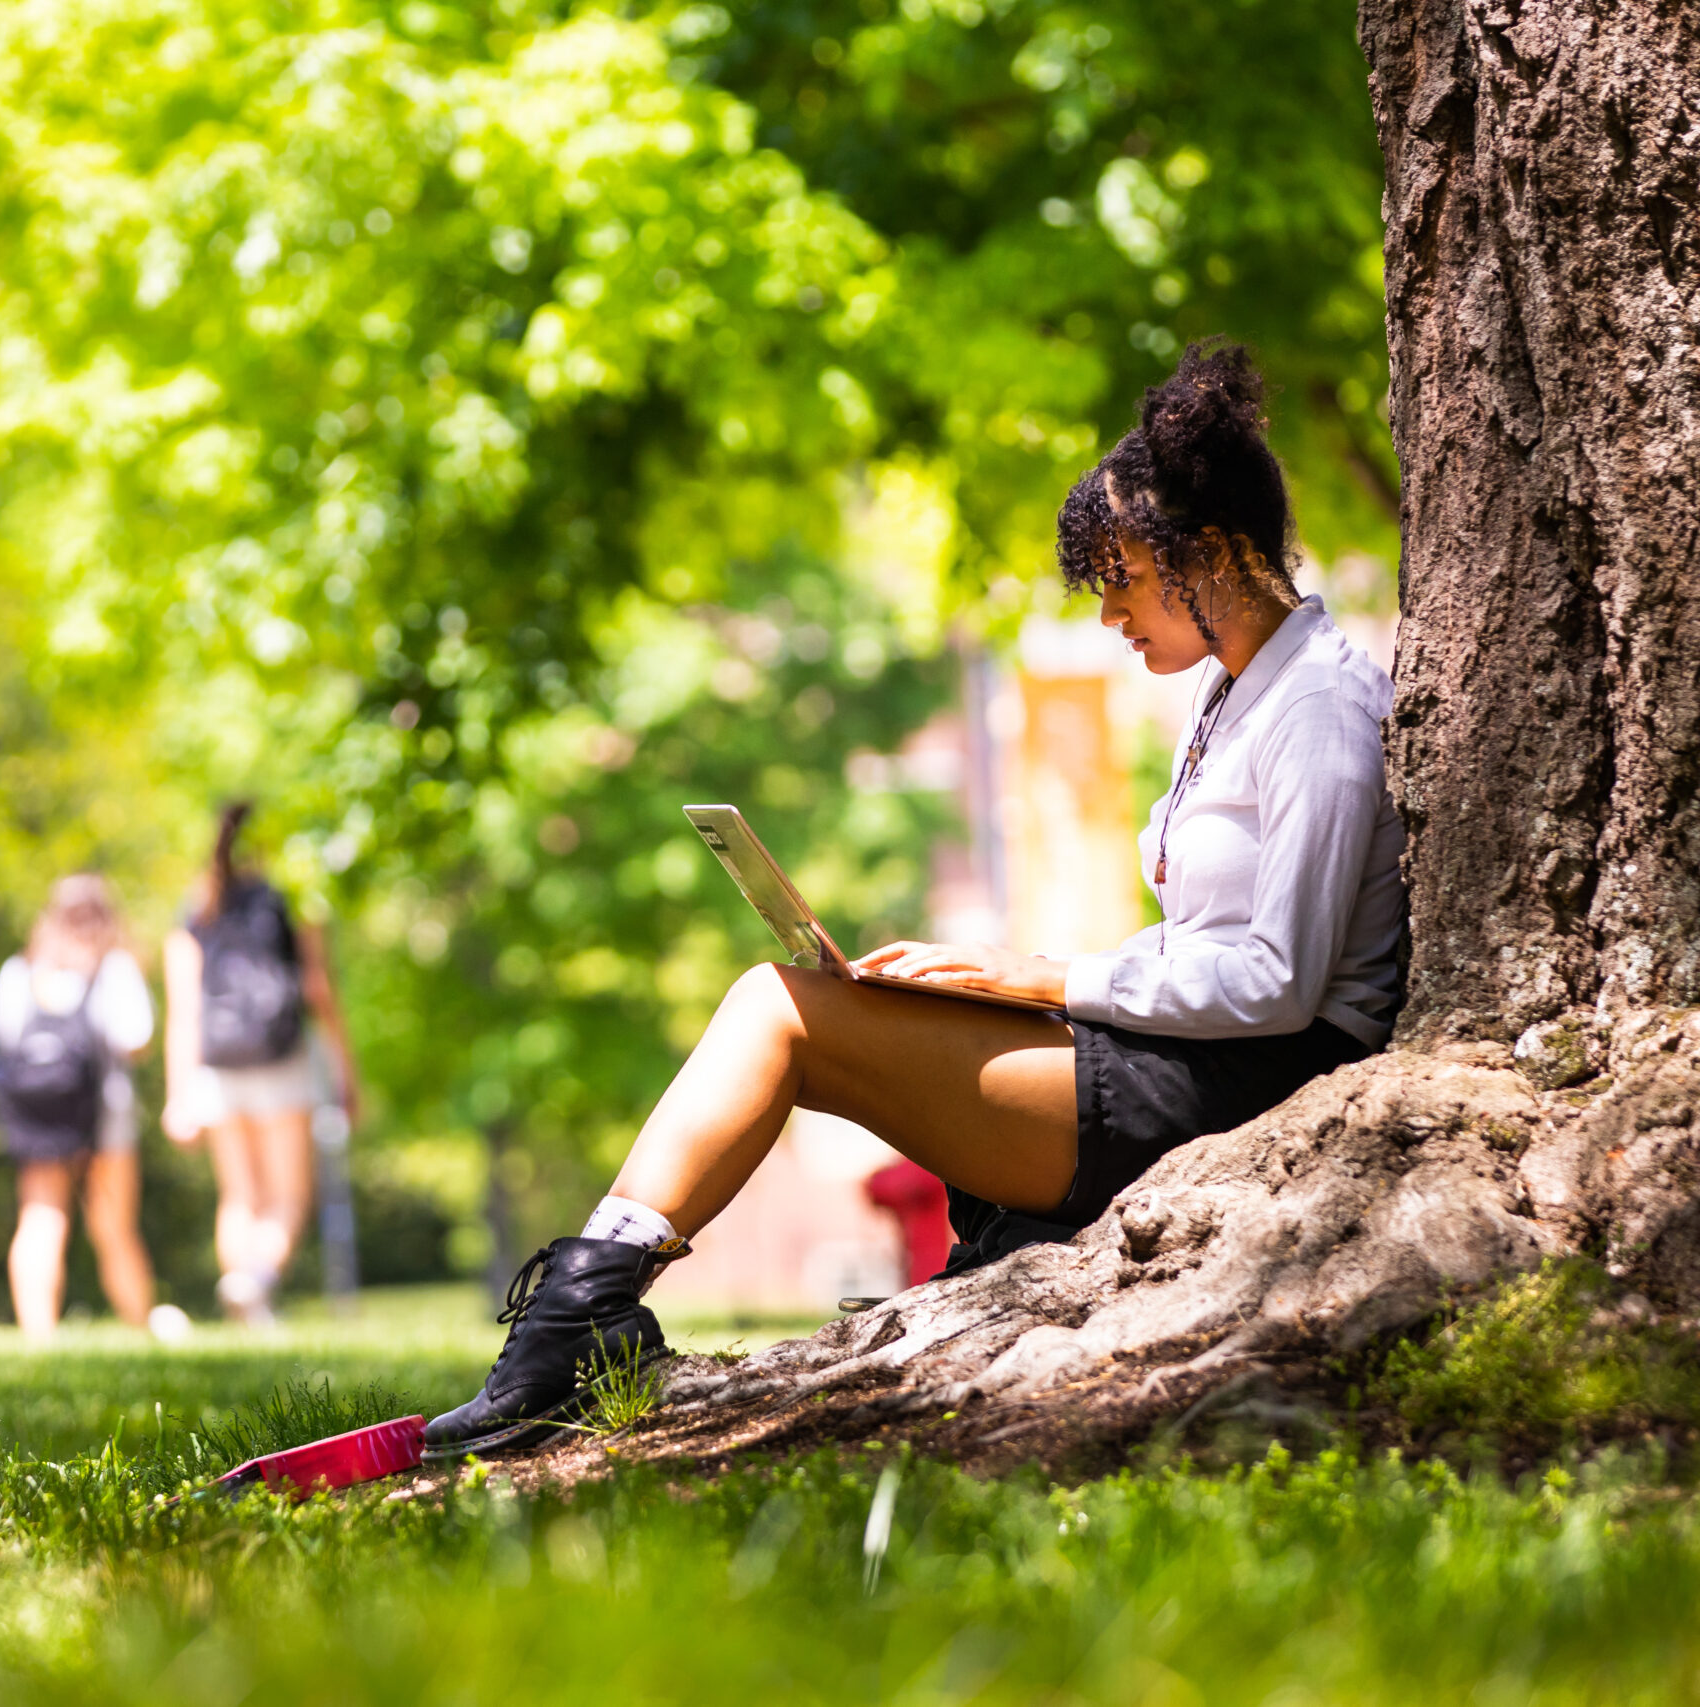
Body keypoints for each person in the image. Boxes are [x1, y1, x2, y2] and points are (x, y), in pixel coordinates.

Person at [424, 340, 1407, 1455]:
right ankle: (581, 1319)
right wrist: (1014, 984)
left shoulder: (1321, 709)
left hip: (1248, 1082)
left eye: (1121, 577)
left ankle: (570, 1332)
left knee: (782, 1013)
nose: (1106, 616)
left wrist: (1043, 979)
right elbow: (1213, 949)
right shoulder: (1234, 694)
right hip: (1189, 1056)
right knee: (810, 996)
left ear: (1215, 553)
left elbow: (1277, 983)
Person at [162, 803, 363, 1327]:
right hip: (280, 1060)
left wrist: (176, 1094)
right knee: (289, 1196)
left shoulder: (198, 904)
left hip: (218, 1066)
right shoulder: (295, 898)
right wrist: (346, 1072)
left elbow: (183, 1006)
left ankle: (245, 1306)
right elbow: (318, 989)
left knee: (239, 1195)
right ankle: (257, 1284)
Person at [0, 875, 189, 1344]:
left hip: (38, 1115)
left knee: (40, 1217)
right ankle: (139, 1326)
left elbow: (5, 1039)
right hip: (105, 1115)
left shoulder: (20, 971)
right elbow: (136, 1037)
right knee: (114, 1227)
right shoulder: (114, 968)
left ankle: (38, 1335)